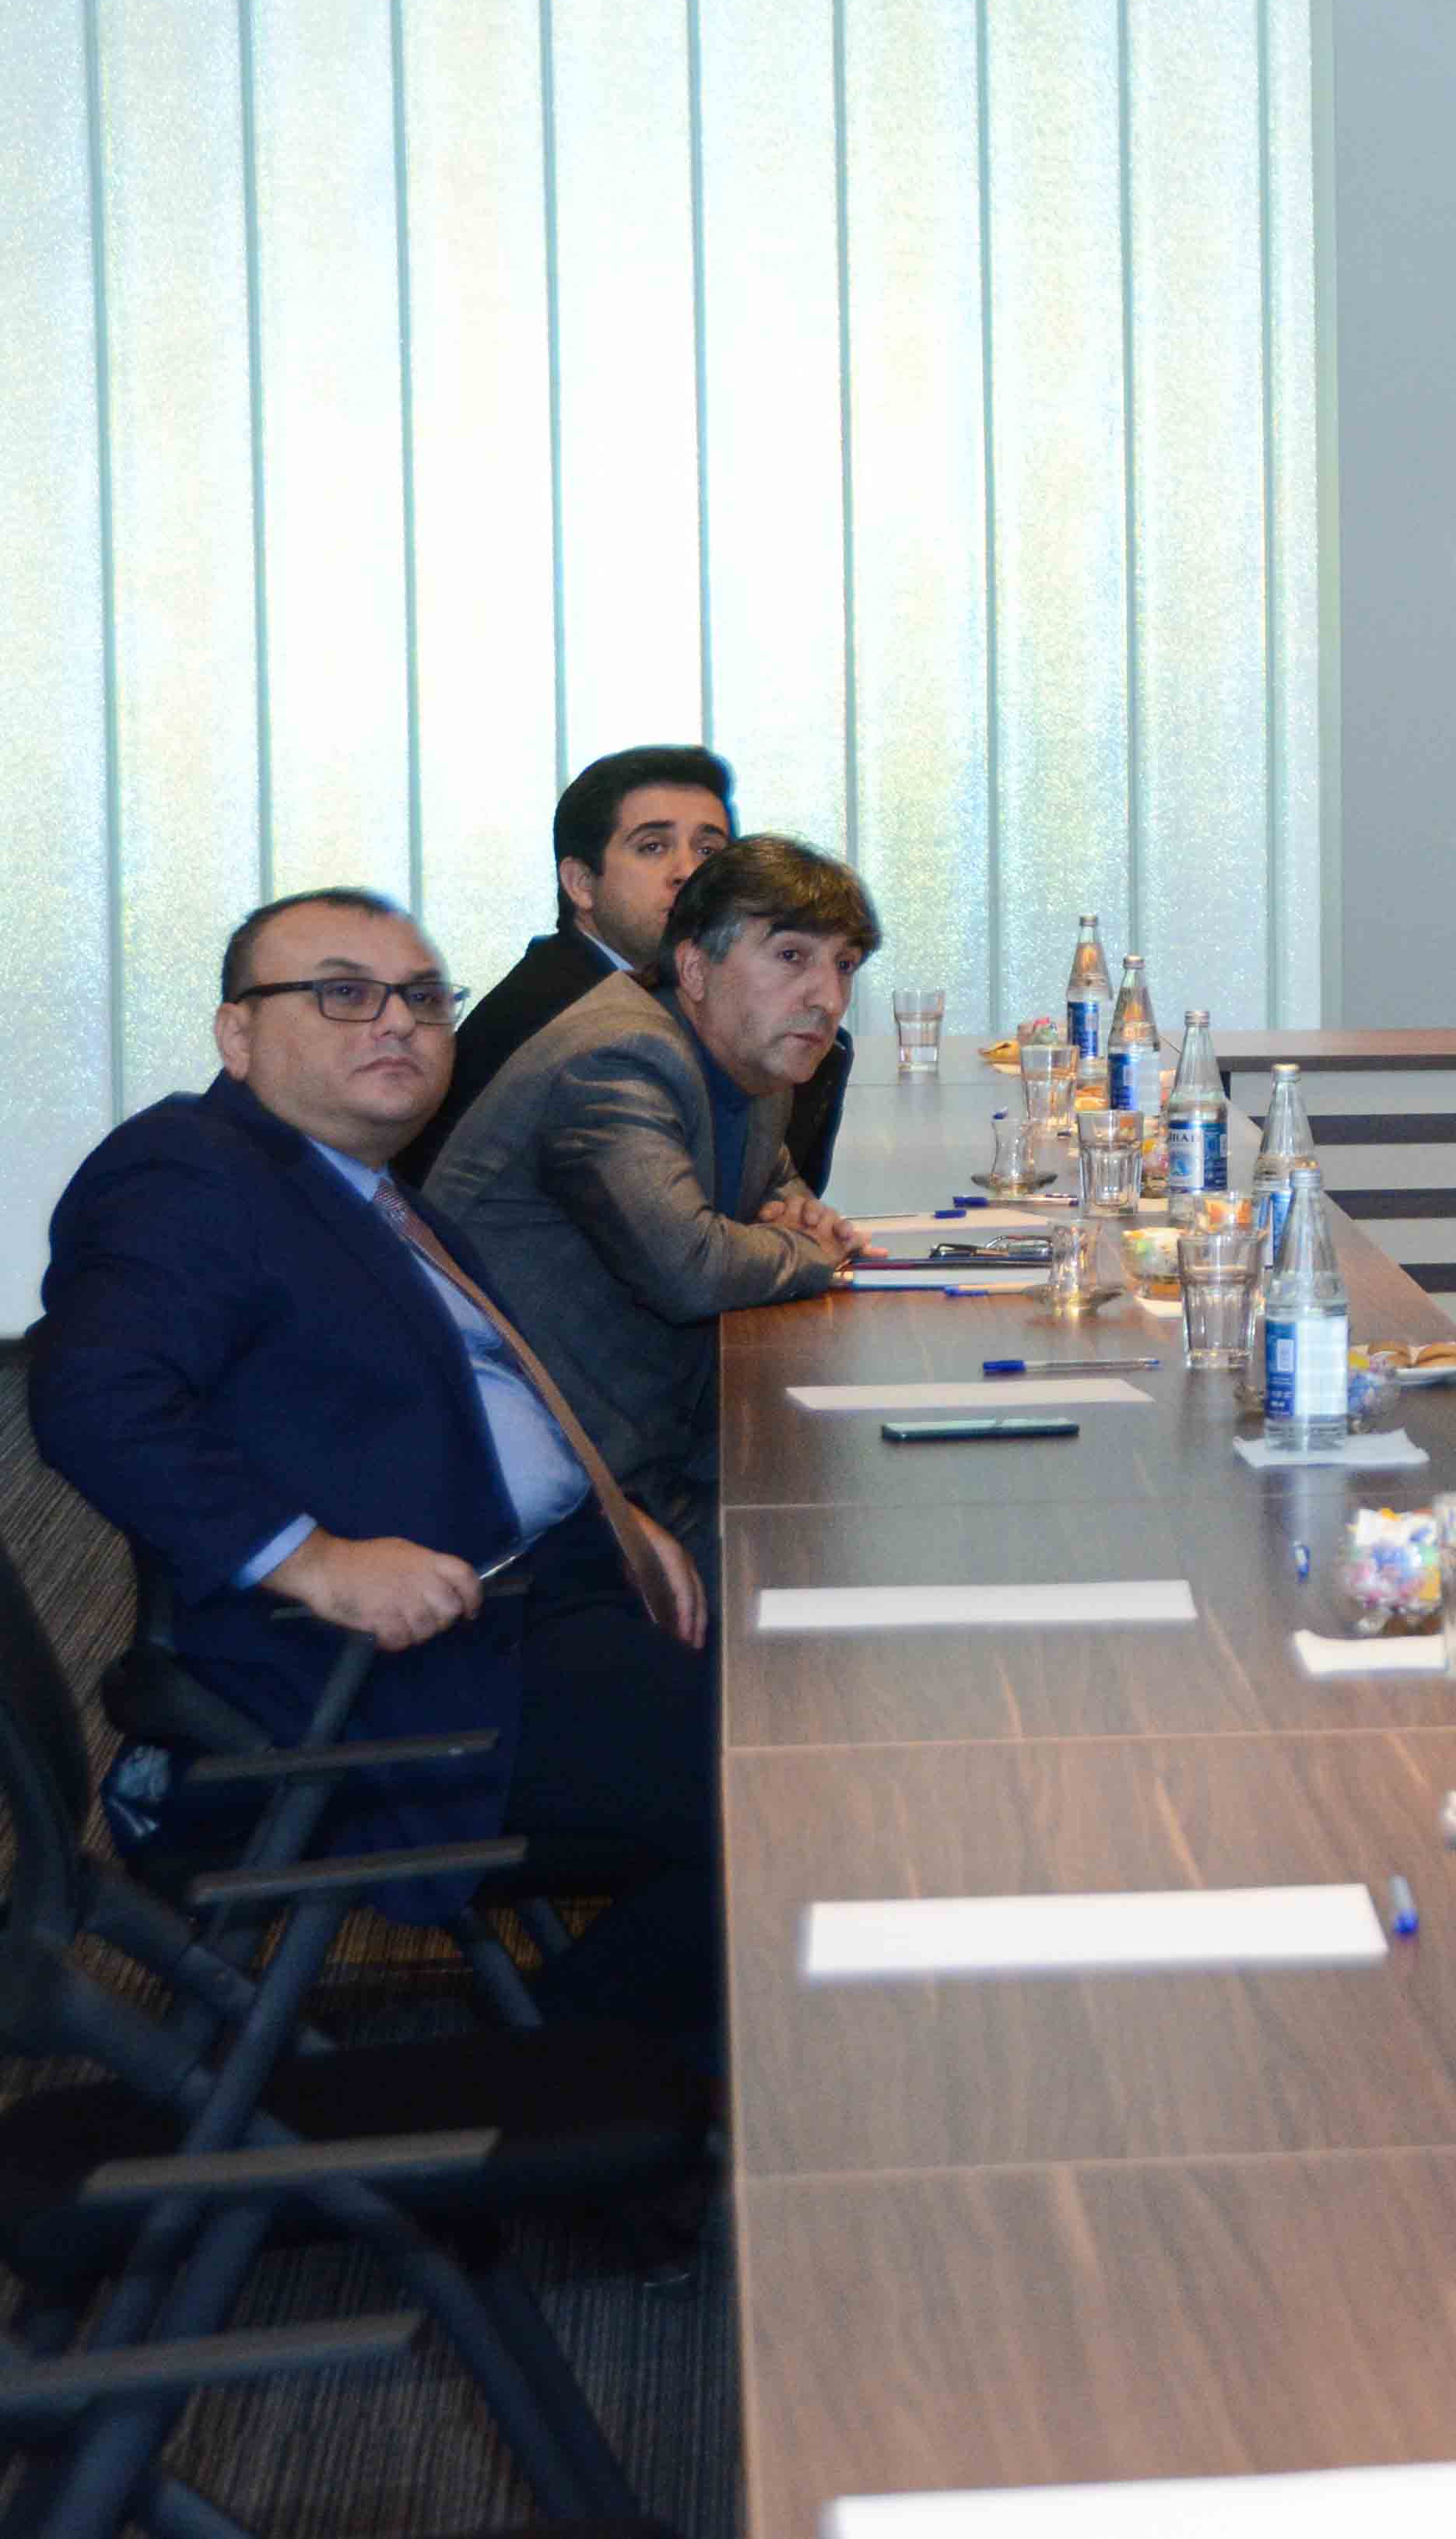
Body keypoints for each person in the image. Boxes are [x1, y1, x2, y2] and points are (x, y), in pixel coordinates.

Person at [30, 889, 718, 2039]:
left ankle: (605, 2064)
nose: (397, 1021)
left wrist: (610, 1509)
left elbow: (479, 1395)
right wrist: (314, 1559)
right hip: (398, 1676)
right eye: (343, 994)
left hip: (543, 1592)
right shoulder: (189, 1170)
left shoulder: (353, 1182)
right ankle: (546, 2082)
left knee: (825, 1710)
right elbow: (91, 1397)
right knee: (794, 1788)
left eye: (424, 997)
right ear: (237, 1034)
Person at [425, 836, 882, 1550]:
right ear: (695, 967)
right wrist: (813, 1251)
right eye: (792, 956)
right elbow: (690, 1268)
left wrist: (799, 1215)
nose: (827, 998)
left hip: (662, 1431)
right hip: (558, 1479)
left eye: (844, 965)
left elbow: (772, 1182)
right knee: (843, 1536)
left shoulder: (752, 1054)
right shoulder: (616, 1058)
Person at [399, 743, 852, 1197]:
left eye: (709, 850)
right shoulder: (561, 1018)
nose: (688, 872)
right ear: (581, 884)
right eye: (653, 847)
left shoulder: (710, 1011)